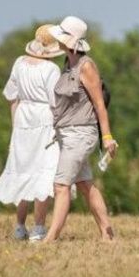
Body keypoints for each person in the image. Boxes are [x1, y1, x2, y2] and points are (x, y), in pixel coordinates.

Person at [41, 16, 118, 243]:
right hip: (68, 134)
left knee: (61, 185)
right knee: (85, 185)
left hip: (82, 134)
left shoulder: (87, 67)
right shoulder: (68, 64)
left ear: (70, 40)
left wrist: (107, 137)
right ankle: (107, 233)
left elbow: (99, 105)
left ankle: (51, 238)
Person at [0, 25, 63, 241]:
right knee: (43, 173)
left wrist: (15, 127)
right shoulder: (51, 70)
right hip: (43, 119)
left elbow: (12, 96)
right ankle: (39, 228)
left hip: (22, 118)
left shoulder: (19, 63)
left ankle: (20, 227)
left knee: (23, 171)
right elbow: (55, 103)